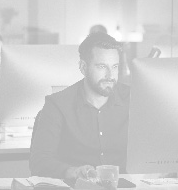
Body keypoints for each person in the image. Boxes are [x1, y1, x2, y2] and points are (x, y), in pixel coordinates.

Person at [29, 32, 130, 182]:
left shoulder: (133, 100)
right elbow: (39, 161)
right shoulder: (58, 105)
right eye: (102, 66)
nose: (110, 75)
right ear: (83, 67)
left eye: (114, 67)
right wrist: (73, 172)